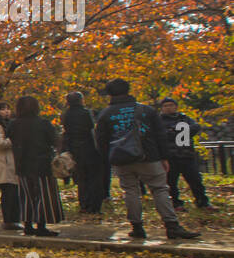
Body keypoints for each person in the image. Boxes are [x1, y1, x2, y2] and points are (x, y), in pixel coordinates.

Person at [94, 78, 198, 240]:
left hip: (122, 159)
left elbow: (101, 141)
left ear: (109, 94)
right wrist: (164, 157)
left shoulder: (105, 114)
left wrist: (109, 159)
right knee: (160, 189)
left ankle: (137, 227)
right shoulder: (146, 111)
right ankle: (172, 225)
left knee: (130, 191)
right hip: (149, 156)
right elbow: (160, 135)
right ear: (129, 89)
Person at [8, 96, 63, 237]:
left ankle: (27, 224)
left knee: (26, 195)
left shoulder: (14, 124)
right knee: (43, 196)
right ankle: (41, 225)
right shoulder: (43, 123)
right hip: (42, 164)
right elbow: (55, 140)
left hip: (22, 164)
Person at [159, 97, 211, 212]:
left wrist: (176, 131)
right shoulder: (158, 120)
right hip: (169, 157)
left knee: (196, 180)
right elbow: (161, 135)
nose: (168, 108)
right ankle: (175, 204)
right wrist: (179, 132)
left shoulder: (184, 118)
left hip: (187, 155)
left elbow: (196, 127)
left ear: (176, 106)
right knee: (171, 183)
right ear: (162, 108)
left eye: (171, 105)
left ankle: (203, 202)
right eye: (165, 106)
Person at [61, 92, 105, 216]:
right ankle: (94, 205)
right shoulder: (86, 113)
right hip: (89, 148)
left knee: (82, 178)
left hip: (75, 149)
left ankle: (84, 204)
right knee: (94, 178)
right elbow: (91, 130)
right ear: (81, 100)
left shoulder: (66, 115)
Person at [0, 102, 21, 230]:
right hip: (3, 164)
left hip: (9, 163)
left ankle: (14, 219)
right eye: (3, 109)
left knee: (13, 193)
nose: (6, 111)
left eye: (8, 108)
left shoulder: (8, 124)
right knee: (9, 194)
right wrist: (14, 139)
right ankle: (9, 220)